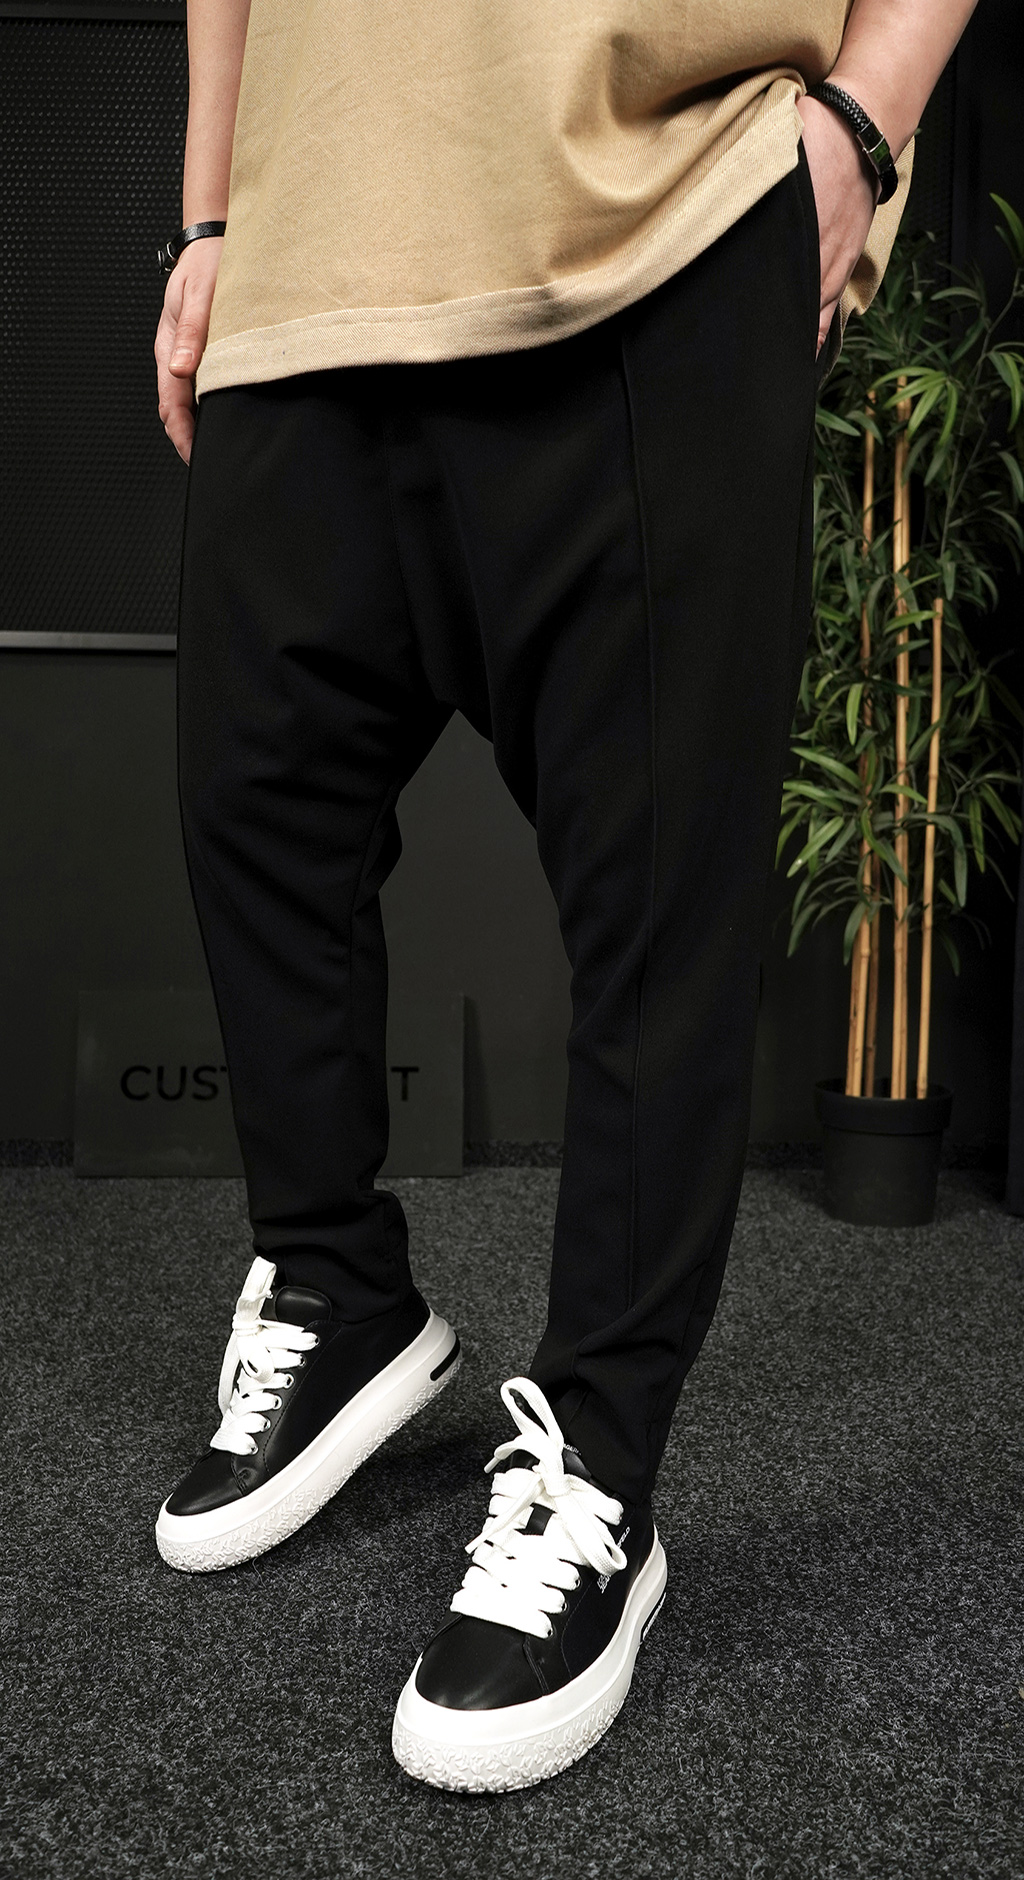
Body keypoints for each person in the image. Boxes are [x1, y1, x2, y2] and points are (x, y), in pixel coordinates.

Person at [153, 0, 976, 1793]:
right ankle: (339, 1290)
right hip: (310, 246)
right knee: (255, 807)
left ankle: (596, 1458)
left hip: (655, 208)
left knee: (652, 896)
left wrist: (863, 122)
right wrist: (212, 213)